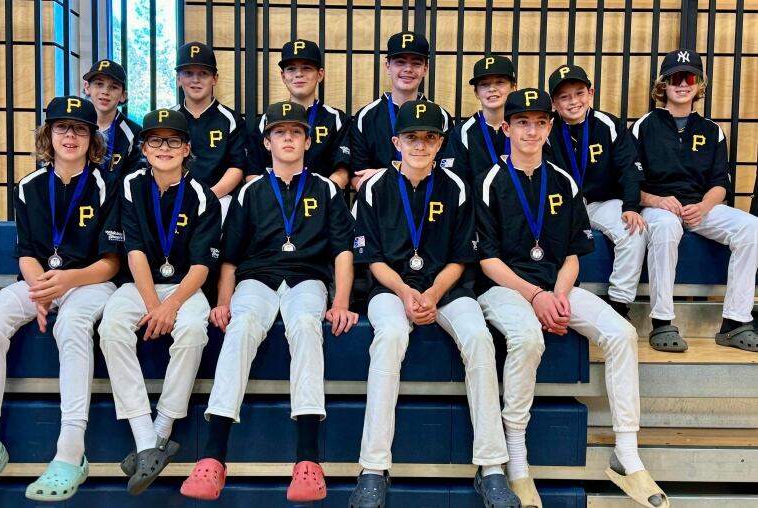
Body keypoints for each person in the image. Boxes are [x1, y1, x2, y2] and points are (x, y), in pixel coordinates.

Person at [476, 89, 668, 508]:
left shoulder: (563, 181)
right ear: (506, 128)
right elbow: (488, 262)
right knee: (528, 339)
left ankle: (627, 455)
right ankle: (519, 463)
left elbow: (573, 254)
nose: (531, 130)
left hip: (556, 285)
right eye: (522, 122)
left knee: (620, 333)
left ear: (550, 127)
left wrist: (558, 295)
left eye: (540, 122)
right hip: (504, 291)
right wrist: (537, 296)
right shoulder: (489, 181)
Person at [180, 101, 357, 503]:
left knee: (306, 328)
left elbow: (343, 251)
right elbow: (230, 256)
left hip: (306, 278)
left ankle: (308, 462)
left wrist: (342, 299)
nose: (289, 138)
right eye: (280, 132)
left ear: (308, 141)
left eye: (296, 132)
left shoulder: (326, 189)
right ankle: (213, 457)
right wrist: (223, 300)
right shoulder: (251, 190)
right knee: (240, 327)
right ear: (267, 141)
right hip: (256, 279)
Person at [348, 100, 520, 508]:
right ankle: (373, 468)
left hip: (446, 288)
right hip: (392, 290)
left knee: (479, 338)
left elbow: (463, 257)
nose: (420, 145)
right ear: (396, 142)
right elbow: (371, 258)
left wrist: (431, 295)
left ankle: (492, 468)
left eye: (429, 138)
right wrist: (407, 294)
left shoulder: (456, 187)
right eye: (411, 137)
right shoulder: (374, 188)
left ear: (441, 143)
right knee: (389, 336)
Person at [0, 96, 122, 503]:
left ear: (93, 137)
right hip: (41, 279)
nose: (70, 136)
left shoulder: (108, 185)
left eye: (79, 129)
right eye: (62, 128)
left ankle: (70, 453)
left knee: (72, 324)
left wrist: (66, 282)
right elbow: (26, 252)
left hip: (89, 281)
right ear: (48, 134)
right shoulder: (29, 186)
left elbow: (111, 263)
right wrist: (41, 291)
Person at [98, 108, 221, 495]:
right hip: (142, 284)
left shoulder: (203, 195)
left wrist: (171, 307)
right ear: (144, 148)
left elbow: (202, 267)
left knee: (191, 332)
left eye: (172, 141)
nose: (163, 148)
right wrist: (155, 305)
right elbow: (133, 252)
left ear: (187, 148)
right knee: (111, 326)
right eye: (154, 140)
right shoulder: (131, 185)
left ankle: (161, 429)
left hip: (187, 286)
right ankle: (146, 440)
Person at [632, 49, 758, 353]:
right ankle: (662, 322)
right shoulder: (644, 126)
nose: (682, 83)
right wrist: (657, 201)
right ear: (663, 84)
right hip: (658, 206)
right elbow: (628, 183)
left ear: (699, 84)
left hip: (700, 207)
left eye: (689, 77)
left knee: (751, 227)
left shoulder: (712, 130)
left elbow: (721, 185)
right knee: (663, 228)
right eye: (675, 77)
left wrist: (703, 207)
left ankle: (734, 322)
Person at [545, 64, 647, 319]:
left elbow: (629, 169)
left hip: (600, 203)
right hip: (561, 206)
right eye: (564, 97)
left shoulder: (608, 124)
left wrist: (631, 207)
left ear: (590, 93)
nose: (573, 102)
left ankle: (619, 305)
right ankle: (549, 298)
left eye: (579, 93)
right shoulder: (545, 129)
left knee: (633, 230)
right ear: (555, 103)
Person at [349, 31, 453, 191]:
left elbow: (445, 171)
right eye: (400, 62)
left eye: (416, 63)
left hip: (428, 202)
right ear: (387, 66)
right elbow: (358, 177)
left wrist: (382, 173)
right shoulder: (366, 116)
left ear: (425, 69)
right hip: (379, 204)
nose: (408, 69)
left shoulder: (441, 115)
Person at [246, 39, 351, 189]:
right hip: (274, 205)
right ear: (283, 76)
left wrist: (322, 198)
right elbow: (253, 172)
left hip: (322, 203)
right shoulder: (266, 120)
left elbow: (342, 171)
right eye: (291, 69)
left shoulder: (336, 119)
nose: (299, 74)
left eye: (307, 68)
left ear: (320, 74)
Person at [172, 42, 248, 220]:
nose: (195, 80)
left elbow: (237, 168)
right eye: (188, 73)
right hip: (176, 197)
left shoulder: (231, 119)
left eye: (203, 74)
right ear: (178, 78)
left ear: (215, 78)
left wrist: (207, 197)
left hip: (219, 198)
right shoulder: (170, 118)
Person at [442, 55, 517, 187]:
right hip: (475, 206)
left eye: (500, 82)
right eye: (484, 84)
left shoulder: (524, 128)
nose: (492, 89)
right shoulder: (462, 133)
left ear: (513, 87)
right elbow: (454, 181)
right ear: (476, 92)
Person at [82, 59, 142, 175]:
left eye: (113, 87)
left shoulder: (135, 133)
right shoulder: (75, 127)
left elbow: (133, 180)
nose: (105, 91)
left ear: (123, 95)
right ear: (87, 87)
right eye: (99, 84)